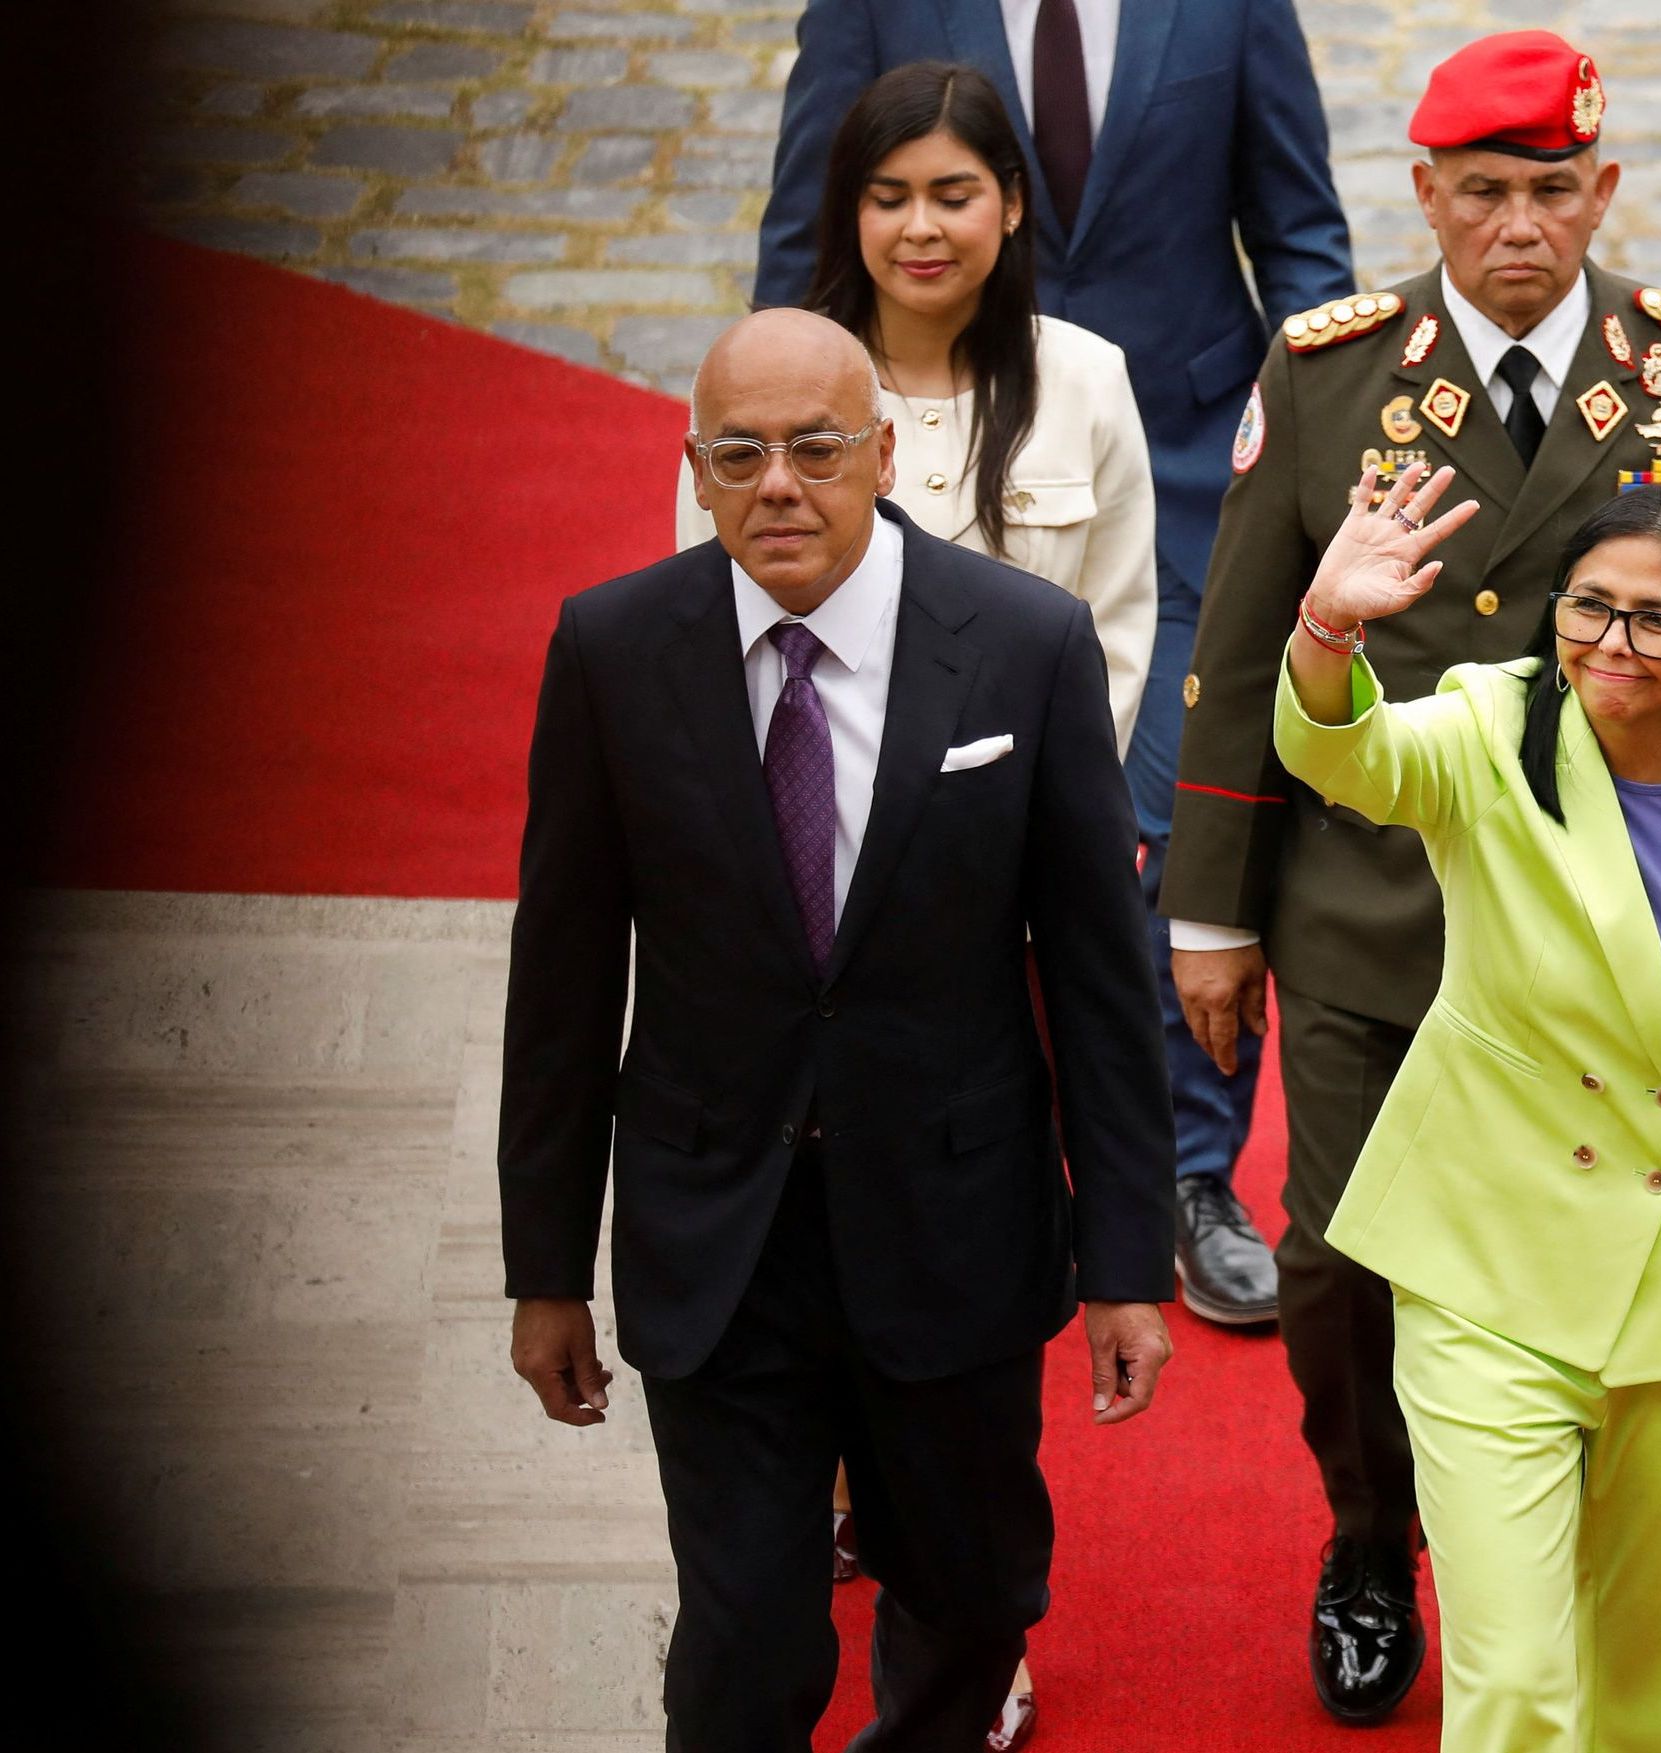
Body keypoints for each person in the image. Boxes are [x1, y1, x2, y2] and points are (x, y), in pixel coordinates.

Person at [1160, 30, 1661, 1725]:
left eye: (1550, 192)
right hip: (1379, 911)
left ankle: (1543, 1526)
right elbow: (1242, 654)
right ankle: (1371, 1533)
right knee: (1331, 1258)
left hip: (1625, 935)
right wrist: (1215, 910)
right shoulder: (1328, 373)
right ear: (1423, 194)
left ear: (1601, 193)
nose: (1518, 227)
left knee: (1590, 1238)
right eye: (1482, 193)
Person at [500, 308, 1177, 1751]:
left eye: (816, 448)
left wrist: (1126, 1259)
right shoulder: (615, 651)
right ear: (694, 472)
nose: (778, 487)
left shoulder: (1022, 645)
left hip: (953, 1230)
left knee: (972, 1596)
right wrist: (543, 1271)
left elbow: (1102, 980)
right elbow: (560, 984)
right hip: (718, 1238)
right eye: (737, 455)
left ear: (883, 454)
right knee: (744, 1641)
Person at [762, 0, 1363, 1327]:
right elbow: (803, 234)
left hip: (1206, 461)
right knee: (943, 805)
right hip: (955, 463)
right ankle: (981, 1152)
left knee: (1192, 806)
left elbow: (1300, 228)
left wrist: (1321, 442)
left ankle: (1193, 1175)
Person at [1278, 467, 1661, 1751]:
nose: (1612, 641)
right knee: (1522, 1685)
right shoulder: (1490, 726)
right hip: (1487, 1265)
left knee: (1656, 1688)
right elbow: (1349, 754)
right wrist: (1330, 629)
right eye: (1588, 607)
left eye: (1657, 620)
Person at [679, 62, 1156, 759]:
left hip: (1015, 809)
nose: (921, 229)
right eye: (890, 199)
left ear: (1013, 202)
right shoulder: (759, 377)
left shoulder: (1089, 378)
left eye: (954, 198)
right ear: (852, 209)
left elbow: (1114, 633)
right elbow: (708, 611)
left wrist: (1048, 803)